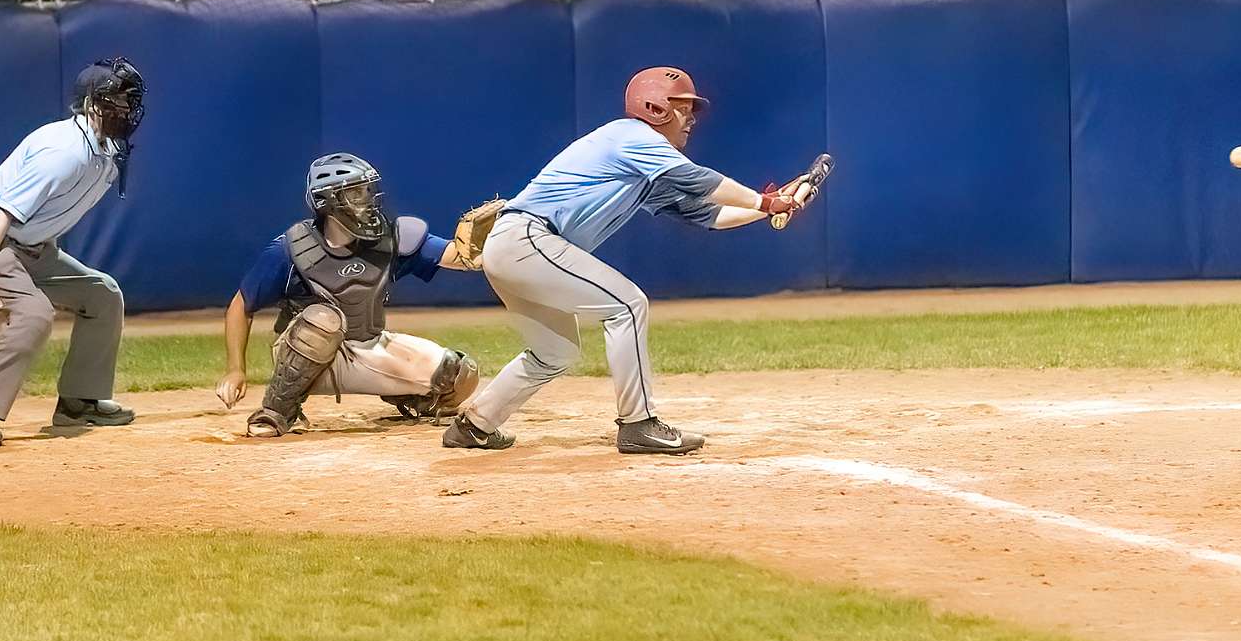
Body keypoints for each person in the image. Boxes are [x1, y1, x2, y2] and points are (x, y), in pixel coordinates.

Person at [444, 66, 825, 455]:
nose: (691, 119)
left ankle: (475, 424)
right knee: (627, 305)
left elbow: (707, 215)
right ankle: (638, 424)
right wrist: (765, 201)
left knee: (555, 353)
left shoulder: (644, 169)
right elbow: (698, 179)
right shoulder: (631, 135)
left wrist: (769, 207)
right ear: (654, 107)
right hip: (529, 239)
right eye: (683, 108)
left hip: (518, 247)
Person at [0, 58, 146, 447]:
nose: (126, 110)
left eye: (130, 101)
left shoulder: (107, 149)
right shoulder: (63, 151)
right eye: (117, 101)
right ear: (92, 104)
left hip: (29, 246)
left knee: (103, 294)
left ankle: (79, 401)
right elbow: (3, 212)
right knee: (35, 314)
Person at [215, 152, 490, 438]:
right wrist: (236, 369)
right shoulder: (291, 249)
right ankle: (278, 410)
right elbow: (241, 306)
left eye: (368, 190)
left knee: (460, 374)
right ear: (327, 202)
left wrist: (498, 242)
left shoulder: (392, 237)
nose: (367, 200)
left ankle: (414, 399)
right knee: (323, 321)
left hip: (367, 345)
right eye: (355, 193)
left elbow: (461, 257)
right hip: (304, 356)